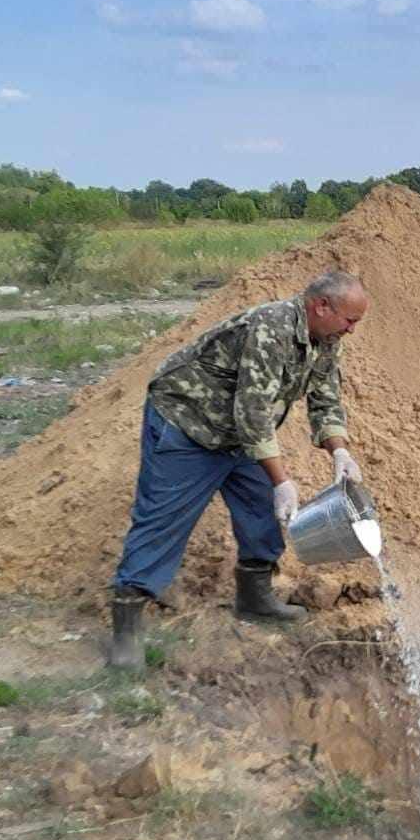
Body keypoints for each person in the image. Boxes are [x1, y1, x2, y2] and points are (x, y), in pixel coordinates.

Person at [108, 269, 368, 669]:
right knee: (162, 520)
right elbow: (253, 410)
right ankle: (126, 632)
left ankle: (254, 598)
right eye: (349, 320)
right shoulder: (271, 328)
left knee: (261, 510)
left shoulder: (326, 339)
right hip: (190, 422)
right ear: (321, 306)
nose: (351, 329)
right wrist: (281, 480)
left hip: (239, 433)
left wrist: (339, 451)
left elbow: (326, 397)